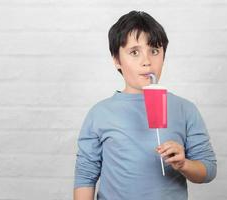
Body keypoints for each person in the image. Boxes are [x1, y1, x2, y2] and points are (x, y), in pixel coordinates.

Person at [73, 10, 217, 200]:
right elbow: (85, 176)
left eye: (154, 51)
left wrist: (184, 164)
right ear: (117, 60)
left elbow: (208, 170)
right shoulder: (99, 113)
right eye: (134, 52)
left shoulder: (185, 109)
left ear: (163, 56)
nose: (147, 61)